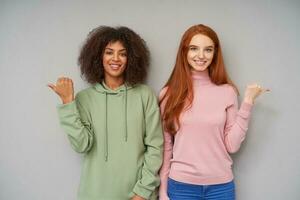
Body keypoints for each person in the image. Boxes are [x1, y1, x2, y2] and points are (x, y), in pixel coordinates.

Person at [48, 26, 163, 200]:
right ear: (98, 57)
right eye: (109, 52)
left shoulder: (144, 95)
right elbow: (82, 145)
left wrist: (143, 192)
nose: (115, 59)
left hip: (138, 196)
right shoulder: (85, 98)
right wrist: (68, 103)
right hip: (95, 194)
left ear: (131, 58)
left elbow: (155, 147)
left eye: (122, 54)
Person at [158, 24, 269, 200]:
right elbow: (166, 146)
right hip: (181, 187)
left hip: (221, 188)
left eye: (208, 50)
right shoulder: (169, 93)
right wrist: (162, 190)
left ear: (215, 53)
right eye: (194, 49)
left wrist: (248, 102)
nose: (201, 56)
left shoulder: (227, 92)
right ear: (184, 52)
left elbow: (232, 145)